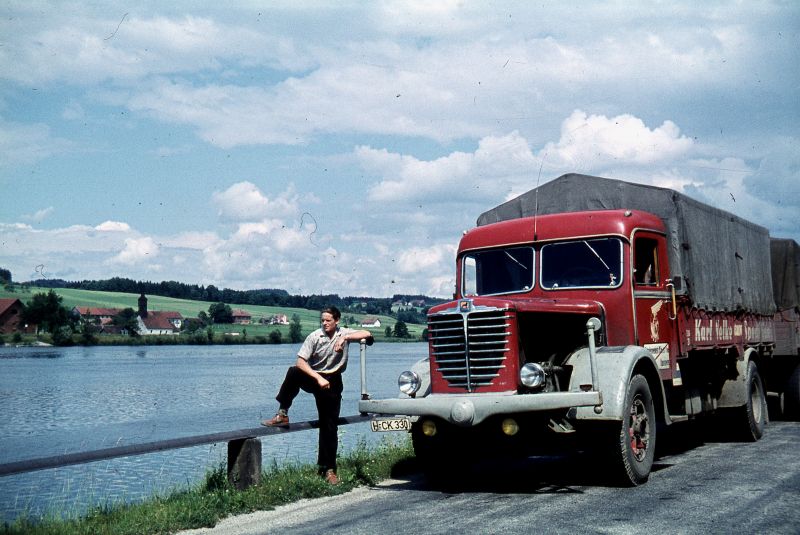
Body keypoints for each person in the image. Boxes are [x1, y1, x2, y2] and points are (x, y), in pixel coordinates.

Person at [261, 306, 371, 485]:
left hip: (333, 382)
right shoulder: (314, 336)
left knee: (329, 425)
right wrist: (318, 378)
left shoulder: (344, 333)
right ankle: (282, 413)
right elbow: (300, 362)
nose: (325, 323)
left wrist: (345, 338)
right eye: (322, 320)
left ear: (337, 321)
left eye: (328, 320)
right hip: (314, 377)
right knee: (294, 372)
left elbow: (367, 333)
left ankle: (328, 469)